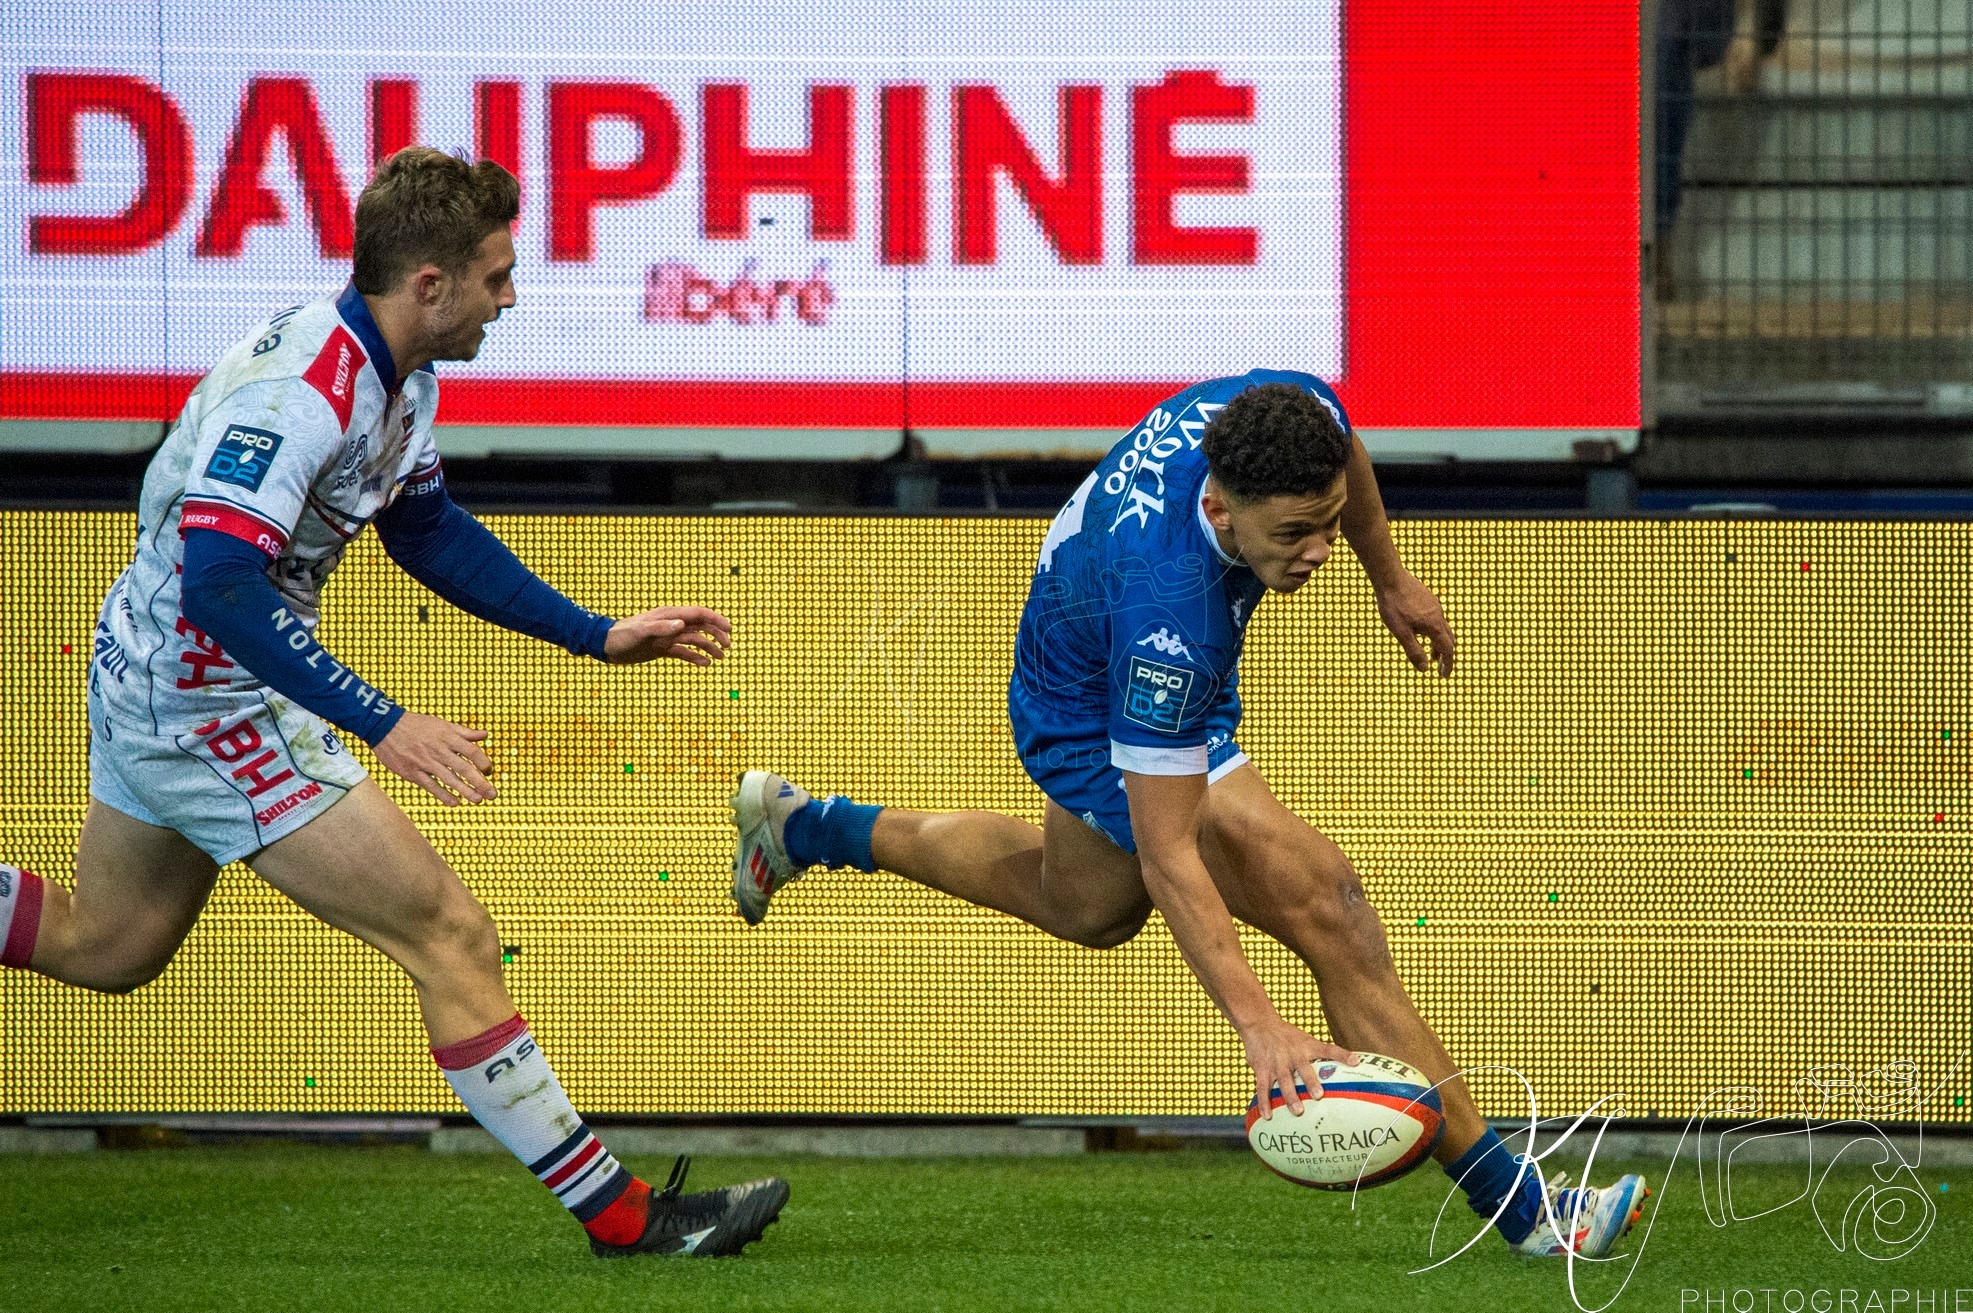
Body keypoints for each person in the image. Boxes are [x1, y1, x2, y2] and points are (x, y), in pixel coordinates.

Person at [0, 147, 786, 1260]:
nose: (509, 298)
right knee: (449, 930)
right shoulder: (306, 391)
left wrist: (595, 633)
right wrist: (387, 721)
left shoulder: (396, 377)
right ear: (429, 282)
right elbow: (223, 580)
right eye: (496, 276)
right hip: (207, 704)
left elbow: (424, 529)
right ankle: (628, 1217)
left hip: (160, 684)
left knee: (107, 945)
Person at [730, 371, 1648, 1257]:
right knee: (1323, 904)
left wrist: (1389, 574)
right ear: (1219, 510)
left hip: (1111, 635)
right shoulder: (1173, 625)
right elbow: (1173, 854)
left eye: (1326, 525)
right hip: (1086, 707)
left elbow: (1347, 454)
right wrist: (1262, 1028)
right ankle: (1526, 1210)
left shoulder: (1284, 410)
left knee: (1088, 906)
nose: (1318, 552)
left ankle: (809, 824)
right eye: (1296, 533)